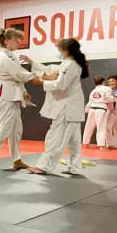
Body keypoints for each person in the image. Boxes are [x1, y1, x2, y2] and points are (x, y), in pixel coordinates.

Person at [0, 28, 43, 171]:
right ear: (6, 41)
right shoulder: (3, 57)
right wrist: (40, 75)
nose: (19, 42)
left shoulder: (11, 56)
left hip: (12, 94)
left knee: (16, 129)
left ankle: (17, 160)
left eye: (19, 40)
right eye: (16, 39)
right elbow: (19, 74)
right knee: (4, 127)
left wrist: (24, 92)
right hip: (4, 94)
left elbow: (16, 77)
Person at [25, 38, 89, 175]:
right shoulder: (70, 63)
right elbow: (51, 69)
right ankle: (75, 167)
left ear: (65, 50)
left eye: (59, 49)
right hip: (73, 107)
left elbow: (61, 84)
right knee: (74, 141)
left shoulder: (70, 64)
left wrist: (41, 82)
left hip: (67, 108)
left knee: (56, 137)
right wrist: (32, 62)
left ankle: (43, 166)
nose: (58, 52)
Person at [83, 76, 112, 149]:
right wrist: (115, 99)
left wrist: (86, 110)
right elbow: (108, 98)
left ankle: (85, 143)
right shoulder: (107, 88)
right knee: (101, 126)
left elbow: (90, 101)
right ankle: (101, 145)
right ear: (103, 82)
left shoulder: (93, 90)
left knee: (88, 126)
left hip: (92, 109)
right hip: (101, 108)